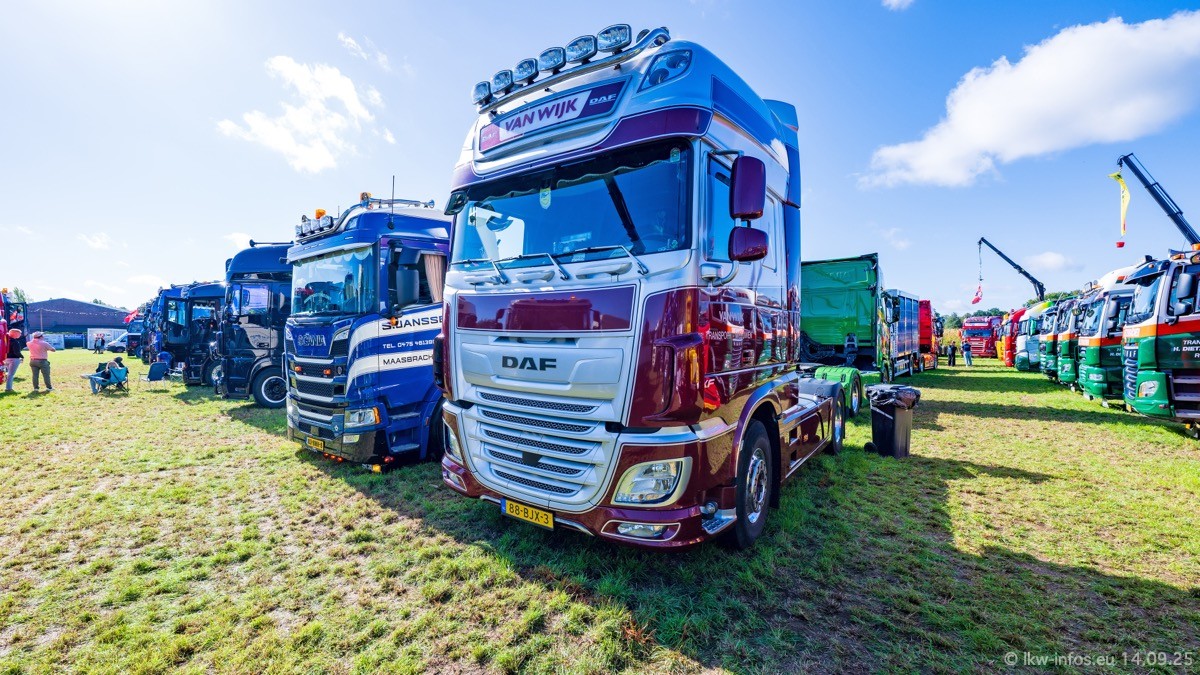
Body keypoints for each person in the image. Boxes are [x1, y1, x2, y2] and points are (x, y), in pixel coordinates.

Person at [4, 328, 22, 393]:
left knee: (8, 373)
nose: (20, 335)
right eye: (19, 333)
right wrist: (22, 356)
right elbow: (16, 352)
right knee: (11, 374)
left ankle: (8, 386)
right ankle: (8, 388)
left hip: (6, 358)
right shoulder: (14, 342)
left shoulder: (5, 340)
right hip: (14, 359)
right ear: (15, 333)